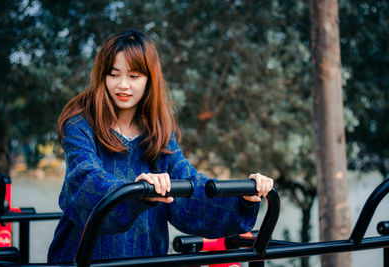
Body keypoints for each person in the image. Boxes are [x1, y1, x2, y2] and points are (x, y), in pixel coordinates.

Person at [47, 30, 273, 263]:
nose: (123, 85)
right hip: (82, 257)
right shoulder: (80, 123)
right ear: (103, 76)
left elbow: (191, 188)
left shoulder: (159, 135)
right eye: (114, 74)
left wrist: (242, 198)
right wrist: (138, 192)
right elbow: (84, 181)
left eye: (134, 76)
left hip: (146, 258)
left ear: (149, 80)